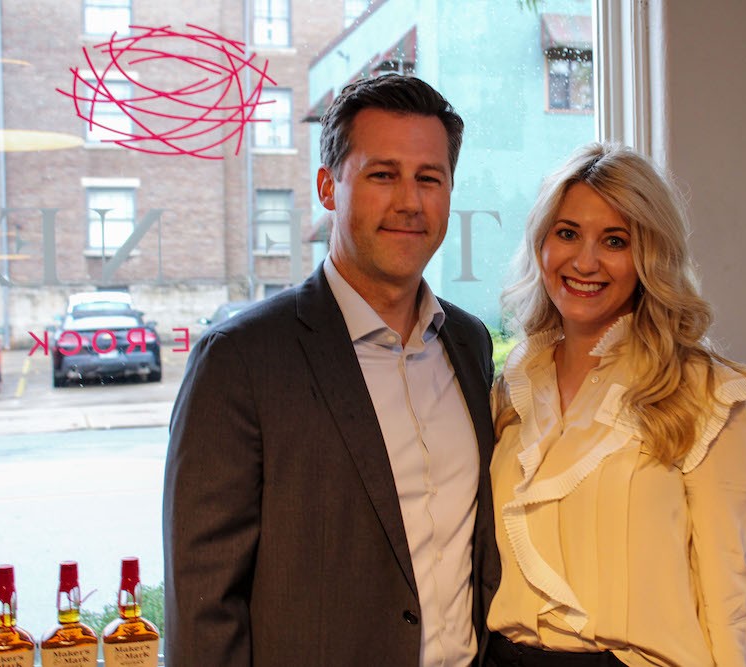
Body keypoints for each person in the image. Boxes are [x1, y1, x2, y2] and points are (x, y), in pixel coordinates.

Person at [162, 74, 499, 666]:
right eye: (382, 174)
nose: (409, 202)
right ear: (327, 187)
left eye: (429, 178)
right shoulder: (241, 360)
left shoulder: (468, 344)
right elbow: (203, 608)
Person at [486, 142, 746, 666]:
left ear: (650, 257)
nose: (585, 261)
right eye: (567, 233)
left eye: (615, 241)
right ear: (541, 243)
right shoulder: (511, 389)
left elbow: (727, 598)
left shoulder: (705, 394)